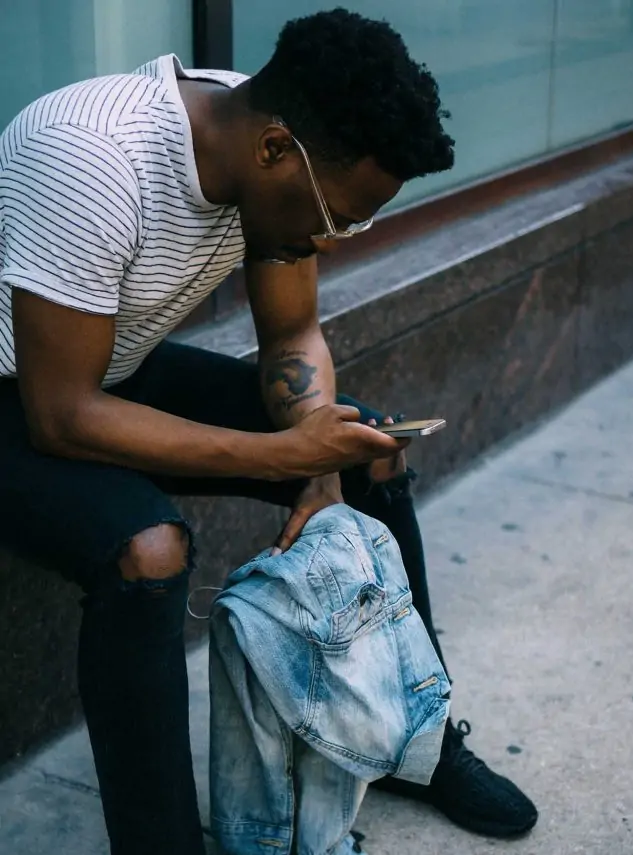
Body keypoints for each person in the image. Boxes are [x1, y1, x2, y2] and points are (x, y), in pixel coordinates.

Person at [0, 8, 537, 855]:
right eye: (336, 216)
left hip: (111, 361)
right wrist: (283, 454)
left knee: (369, 447)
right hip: (27, 392)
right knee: (149, 551)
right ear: (274, 150)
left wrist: (318, 470)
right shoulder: (91, 155)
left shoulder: (268, 151)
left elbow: (290, 338)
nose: (333, 237)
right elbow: (60, 416)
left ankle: (414, 739)